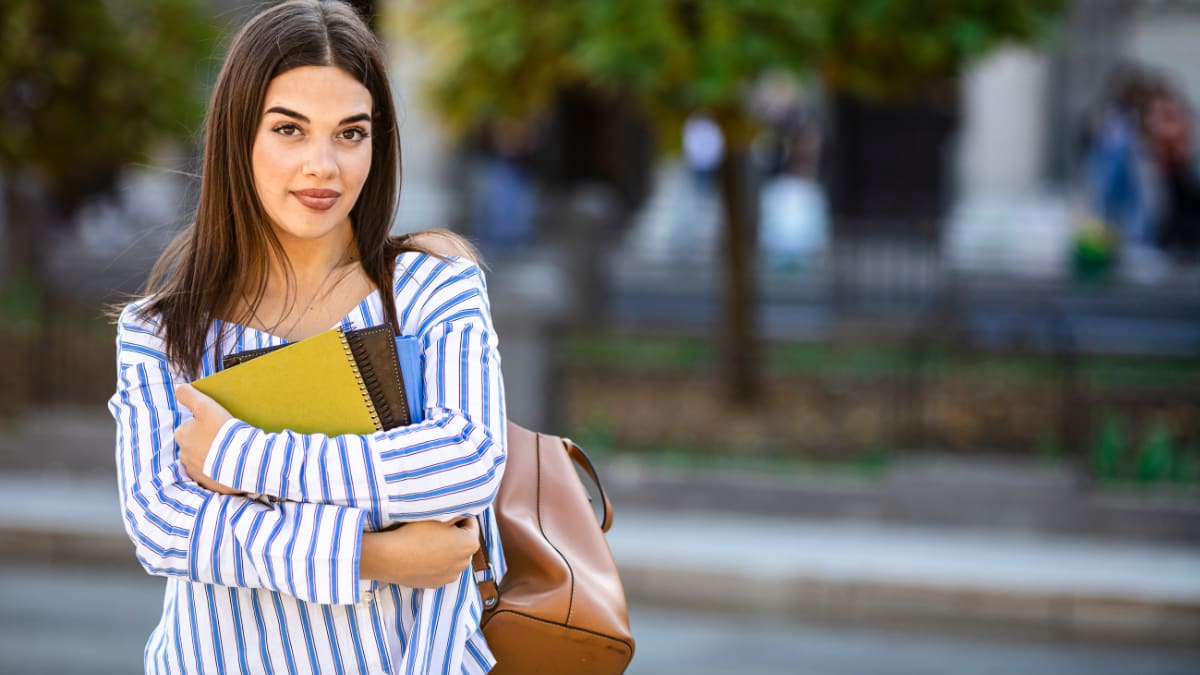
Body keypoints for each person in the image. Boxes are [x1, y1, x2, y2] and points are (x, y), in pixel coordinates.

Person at [107, 1, 507, 673]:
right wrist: (371, 553)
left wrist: (241, 455)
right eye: (290, 129)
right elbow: (165, 525)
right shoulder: (160, 332)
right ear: (240, 137)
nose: (324, 164)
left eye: (351, 133)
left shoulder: (431, 290)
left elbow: (466, 460)